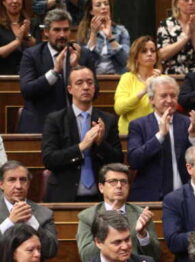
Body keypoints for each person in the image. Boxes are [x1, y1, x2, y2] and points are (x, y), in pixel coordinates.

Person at [41, 65, 124, 202]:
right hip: (64, 196)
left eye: (90, 82)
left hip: (100, 198)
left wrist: (100, 143)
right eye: (79, 83)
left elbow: (118, 160)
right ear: (70, 89)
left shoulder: (108, 120)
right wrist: (81, 147)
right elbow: (49, 159)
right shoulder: (55, 119)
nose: (86, 87)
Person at [17, 9, 96, 133]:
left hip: (74, 127)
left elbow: (95, 92)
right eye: (57, 30)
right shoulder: (32, 55)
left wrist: (77, 69)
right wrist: (54, 73)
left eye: (66, 29)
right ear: (46, 32)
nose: (62, 35)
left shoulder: (83, 55)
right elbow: (27, 91)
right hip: (41, 125)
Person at [127, 75, 195, 201]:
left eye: (173, 96)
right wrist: (160, 136)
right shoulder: (138, 125)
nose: (169, 100)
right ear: (152, 99)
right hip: (150, 198)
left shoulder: (187, 122)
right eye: (163, 96)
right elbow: (134, 160)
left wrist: (193, 134)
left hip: (184, 196)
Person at [77, 164, 161, 262]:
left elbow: (155, 256)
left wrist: (142, 235)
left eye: (123, 181)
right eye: (113, 181)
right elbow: (86, 256)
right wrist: (106, 224)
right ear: (101, 187)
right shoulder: (87, 217)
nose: (119, 186)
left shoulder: (141, 214)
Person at [0, 161, 56, 259]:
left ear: (28, 184)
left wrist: (32, 221)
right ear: (1, 184)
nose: (18, 186)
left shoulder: (44, 213)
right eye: (12, 180)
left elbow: (50, 251)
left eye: (23, 180)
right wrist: (9, 222)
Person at [114, 35, 160, 135]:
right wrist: (144, 90)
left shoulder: (162, 79)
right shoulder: (127, 78)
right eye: (144, 51)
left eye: (153, 51)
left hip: (157, 132)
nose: (149, 54)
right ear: (136, 57)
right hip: (130, 133)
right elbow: (119, 108)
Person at [156, 0, 195, 75]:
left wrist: (194, 32)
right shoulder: (166, 25)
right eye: (186, 0)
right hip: (173, 75)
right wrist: (186, 37)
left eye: (193, 0)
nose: (190, 2)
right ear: (177, 4)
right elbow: (162, 55)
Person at [77, 0, 129, 75]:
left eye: (106, 4)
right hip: (92, 79)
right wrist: (93, 35)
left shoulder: (121, 31)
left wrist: (110, 38)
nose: (103, 7)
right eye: (98, 5)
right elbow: (83, 62)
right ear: (91, 11)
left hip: (117, 78)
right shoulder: (84, 32)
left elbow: (126, 61)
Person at [0, 0, 39, 76]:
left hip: (29, 74)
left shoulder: (33, 23)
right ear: (3, 2)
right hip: (4, 74)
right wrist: (17, 42)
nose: (14, 1)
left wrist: (27, 35)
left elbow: (39, 50)